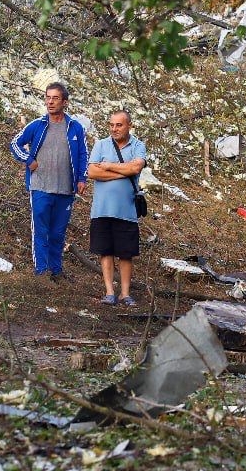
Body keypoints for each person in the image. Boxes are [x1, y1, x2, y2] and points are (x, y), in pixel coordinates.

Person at [8, 82, 88, 278]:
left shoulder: (75, 127)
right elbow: (14, 143)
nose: (50, 102)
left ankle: (56, 271)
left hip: (65, 189)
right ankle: (41, 272)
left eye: (55, 98)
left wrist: (81, 178)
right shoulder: (38, 125)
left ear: (65, 102)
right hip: (40, 186)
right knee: (41, 231)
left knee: (58, 234)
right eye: (48, 97)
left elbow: (83, 154)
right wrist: (28, 160)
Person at [87, 110, 147, 306]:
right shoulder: (101, 144)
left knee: (126, 253)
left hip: (127, 210)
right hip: (102, 209)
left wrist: (108, 166)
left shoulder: (138, 146)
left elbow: (135, 168)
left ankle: (125, 293)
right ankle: (109, 291)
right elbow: (92, 171)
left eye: (119, 125)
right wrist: (123, 171)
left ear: (129, 125)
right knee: (106, 251)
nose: (114, 129)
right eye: (112, 125)